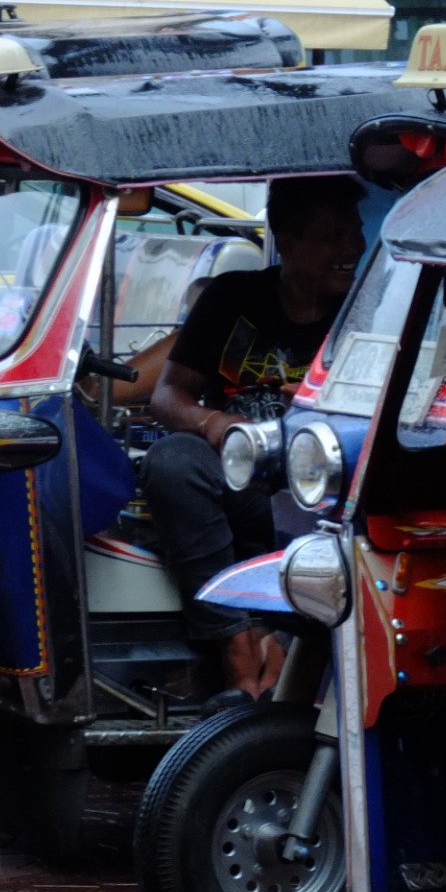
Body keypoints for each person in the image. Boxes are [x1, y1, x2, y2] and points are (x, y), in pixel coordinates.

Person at [140, 175, 369, 703]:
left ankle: (267, 652)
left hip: (322, 496)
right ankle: (237, 644)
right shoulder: (233, 298)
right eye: (334, 234)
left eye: (354, 232)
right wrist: (214, 425)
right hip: (245, 483)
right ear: (284, 238)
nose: (353, 247)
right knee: (172, 462)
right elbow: (168, 396)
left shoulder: (367, 310)